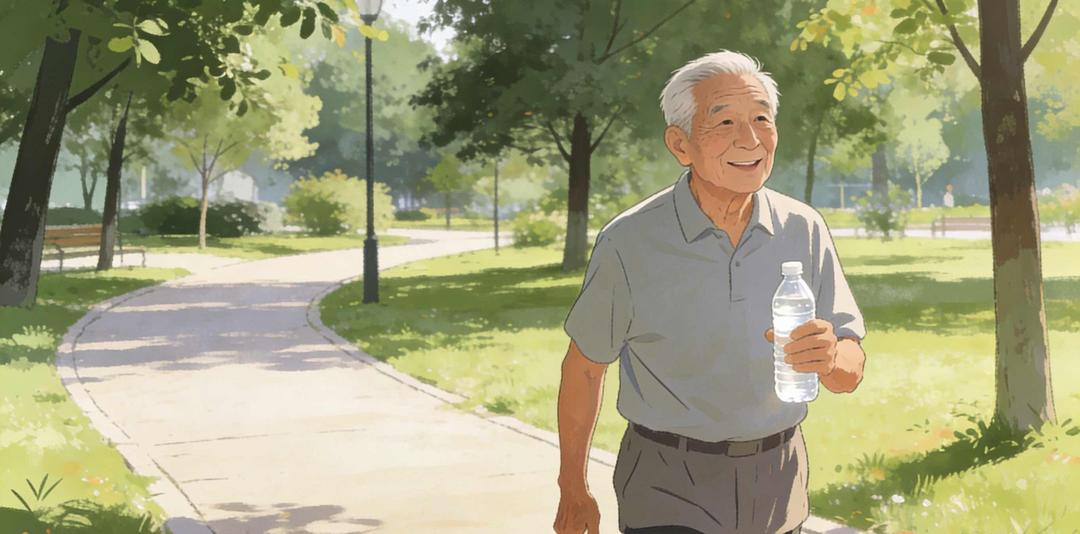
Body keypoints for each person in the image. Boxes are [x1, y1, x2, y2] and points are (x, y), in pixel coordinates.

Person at [553, 51, 867, 534]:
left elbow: (849, 369)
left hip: (779, 475)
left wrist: (829, 359)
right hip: (666, 477)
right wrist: (573, 486)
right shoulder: (630, 241)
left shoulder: (803, 229)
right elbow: (585, 367)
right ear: (681, 145)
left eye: (762, 118)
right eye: (724, 122)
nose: (750, 139)